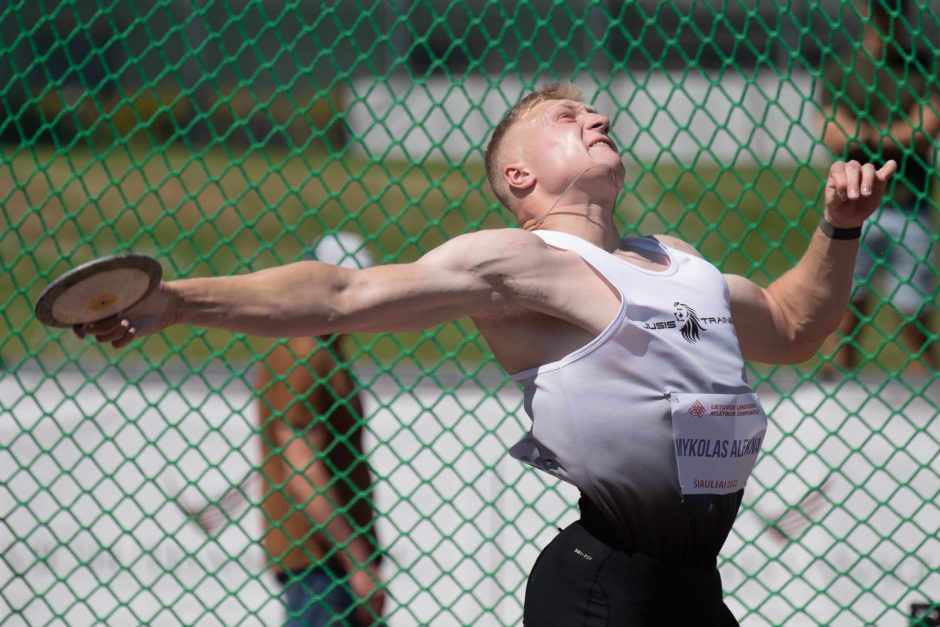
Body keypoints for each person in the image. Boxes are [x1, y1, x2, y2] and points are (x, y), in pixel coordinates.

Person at [74, 83, 896, 625]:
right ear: (520, 173)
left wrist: (841, 227)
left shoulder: (682, 263)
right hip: (604, 587)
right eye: (568, 119)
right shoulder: (524, 262)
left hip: (694, 589)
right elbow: (340, 295)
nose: (597, 118)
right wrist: (178, 299)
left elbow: (794, 326)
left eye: (594, 112)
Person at [255, 232, 385, 627]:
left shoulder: (321, 348)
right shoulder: (305, 354)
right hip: (320, 561)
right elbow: (302, 470)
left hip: (327, 560)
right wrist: (358, 562)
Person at [818, 0, 938, 376]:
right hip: (852, 207)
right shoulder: (841, 69)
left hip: (909, 206)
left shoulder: (924, 65)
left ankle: (931, 399)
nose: (890, 12)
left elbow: (924, 129)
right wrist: (893, 136)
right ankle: (835, 396)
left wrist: (865, 135)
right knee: (844, 315)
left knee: (914, 319)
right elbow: (834, 135)